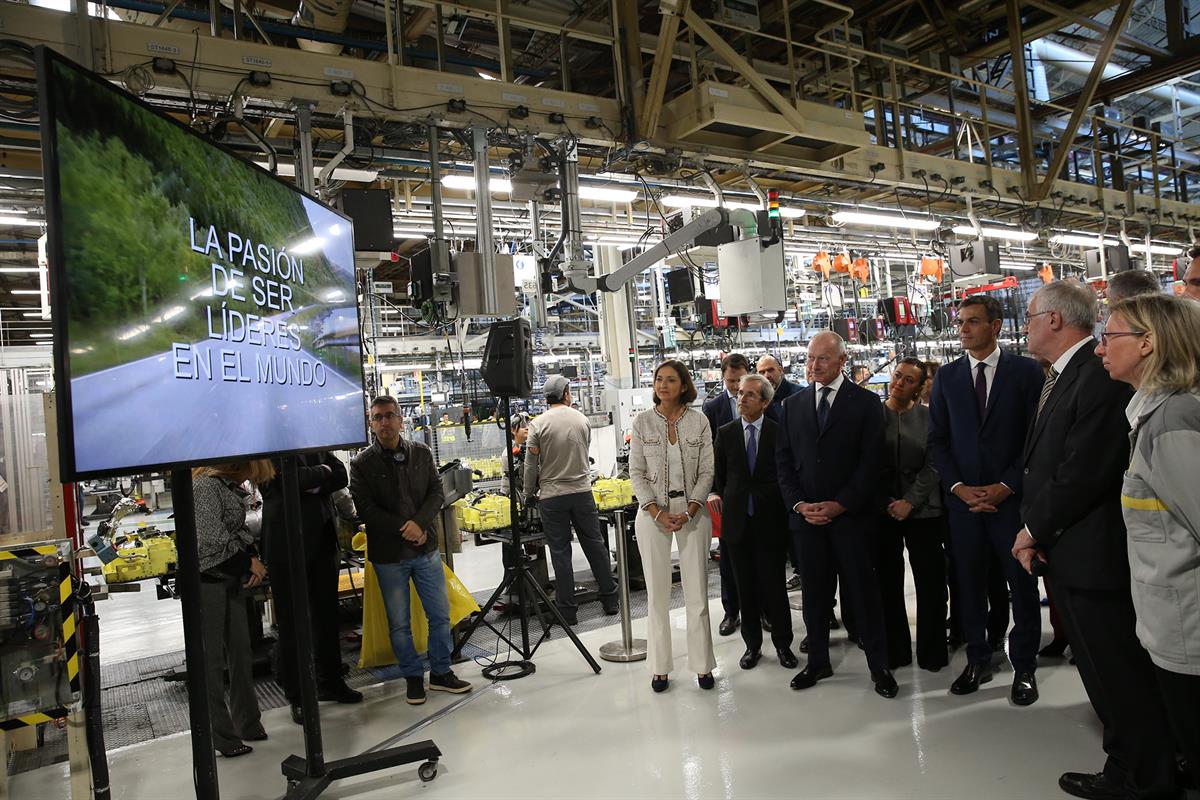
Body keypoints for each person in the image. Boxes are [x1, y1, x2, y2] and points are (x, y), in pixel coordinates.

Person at [1013, 281, 1180, 800]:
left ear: (1056, 321)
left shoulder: (1096, 376)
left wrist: (1033, 528)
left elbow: (1082, 471)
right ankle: (1139, 763)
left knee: (1116, 672)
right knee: (1103, 668)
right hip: (1071, 548)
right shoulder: (1070, 375)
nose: (1027, 325)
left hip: (1094, 554)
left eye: (1031, 316)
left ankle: (1143, 776)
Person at [1098, 293, 1200, 793]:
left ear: (1148, 343)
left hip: (1191, 630)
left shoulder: (1172, 421)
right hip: (1171, 622)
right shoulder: (1150, 416)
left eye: (1110, 336)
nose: (1101, 349)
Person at [927, 294, 1044, 705]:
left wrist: (1007, 485)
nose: (962, 328)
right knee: (969, 584)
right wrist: (959, 488)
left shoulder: (1027, 373)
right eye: (960, 322)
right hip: (964, 504)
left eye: (972, 321)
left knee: (1021, 584)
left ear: (995, 327)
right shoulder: (946, 377)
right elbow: (937, 441)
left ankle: (1024, 664)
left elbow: (1036, 438)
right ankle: (977, 658)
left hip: (1010, 503)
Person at [776, 331, 898, 699]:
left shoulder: (865, 404)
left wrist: (841, 503)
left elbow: (871, 463)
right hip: (808, 521)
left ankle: (880, 666)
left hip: (852, 519)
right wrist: (799, 505)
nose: (814, 366)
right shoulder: (792, 406)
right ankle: (818, 662)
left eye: (823, 359)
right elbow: (784, 463)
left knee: (864, 593)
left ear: (843, 361)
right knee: (814, 595)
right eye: (810, 358)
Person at [349, 396, 472, 706]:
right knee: (400, 624)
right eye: (379, 417)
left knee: (440, 616)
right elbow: (365, 508)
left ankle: (442, 673)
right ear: (371, 423)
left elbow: (436, 492)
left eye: (390, 416)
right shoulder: (362, 464)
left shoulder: (421, 452)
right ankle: (413, 678)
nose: (385, 422)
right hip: (390, 555)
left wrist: (419, 524)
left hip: (425, 550)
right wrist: (404, 527)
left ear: (401, 420)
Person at [629, 360, 717, 693]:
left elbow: (708, 470)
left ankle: (703, 666)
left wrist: (693, 507)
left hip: (692, 512)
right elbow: (636, 471)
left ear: (683, 386)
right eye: (658, 380)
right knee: (658, 596)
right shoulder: (642, 423)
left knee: (696, 593)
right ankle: (660, 667)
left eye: (670, 380)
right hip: (653, 514)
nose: (663, 385)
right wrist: (654, 510)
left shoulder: (699, 422)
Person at [260, 451, 361, 726]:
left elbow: (341, 472)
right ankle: (299, 696)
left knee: (327, 617)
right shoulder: (269, 444)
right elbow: (285, 479)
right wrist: (323, 474)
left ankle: (330, 682)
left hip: (322, 541)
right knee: (293, 623)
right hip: (286, 544)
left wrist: (315, 478)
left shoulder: (314, 443)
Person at [709, 373, 797, 671]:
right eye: (739, 393)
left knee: (774, 588)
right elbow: (721, 477)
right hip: (737, 526)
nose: (741, 398)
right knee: (745, 589)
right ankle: (752, 646)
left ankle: (784, 644)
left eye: (749, 395)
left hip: (770, 523)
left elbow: (786, 475)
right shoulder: (726, 432)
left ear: (765, 401)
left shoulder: (778, 432)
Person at [192, 460, 273, 758]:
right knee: (211, 663)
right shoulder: (203, 488)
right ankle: (222, 737)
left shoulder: (227, 487)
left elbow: (238, 533)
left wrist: (248, 559)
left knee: (240, 652)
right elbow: (210, 543)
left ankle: (248, 722)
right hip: (207, 581)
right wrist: (247, 562)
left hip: (230, 579)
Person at [523, 375, 618, 625]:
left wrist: (527, 493)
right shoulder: (581, 419)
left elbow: (531, 464)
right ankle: (610, 600)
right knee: (595, 546)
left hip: (552, 497)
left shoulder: (537, 424)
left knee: (560, 552)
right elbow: (584, 451)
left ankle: (567, 612)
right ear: (566, 394)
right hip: (582, 492)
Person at [878, 358, 948, 672]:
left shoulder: (930, 418)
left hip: (924, 510)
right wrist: (886, 499)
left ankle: (932, 653)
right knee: (887, 583)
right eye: (897, 376)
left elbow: (935, 462)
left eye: (908, 380)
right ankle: (895, 651)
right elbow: (866, 461)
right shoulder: (874, 416)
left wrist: (910, 500)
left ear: (918, 388)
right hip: (883, 510)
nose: (899, 383)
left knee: (931, 582)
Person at [703, 353, 751, 638]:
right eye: (730, 381)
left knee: (760, 555)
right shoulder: (714, 407)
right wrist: (712, 490)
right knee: (729, 556)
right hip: (727, 493)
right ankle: (731, 611)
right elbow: (708, 452)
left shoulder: (761, 399)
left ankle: (762, 610)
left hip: (758, 491)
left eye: (739, 380)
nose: (735, 387)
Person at [757, 353, 803, 591]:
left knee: (799, 535)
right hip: (768, 480)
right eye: (762, 372)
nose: (766, 376)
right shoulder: (758, 398)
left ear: (781, 370)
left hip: (795, 478)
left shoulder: (798, 394)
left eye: (770, 370)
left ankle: (802, 572)